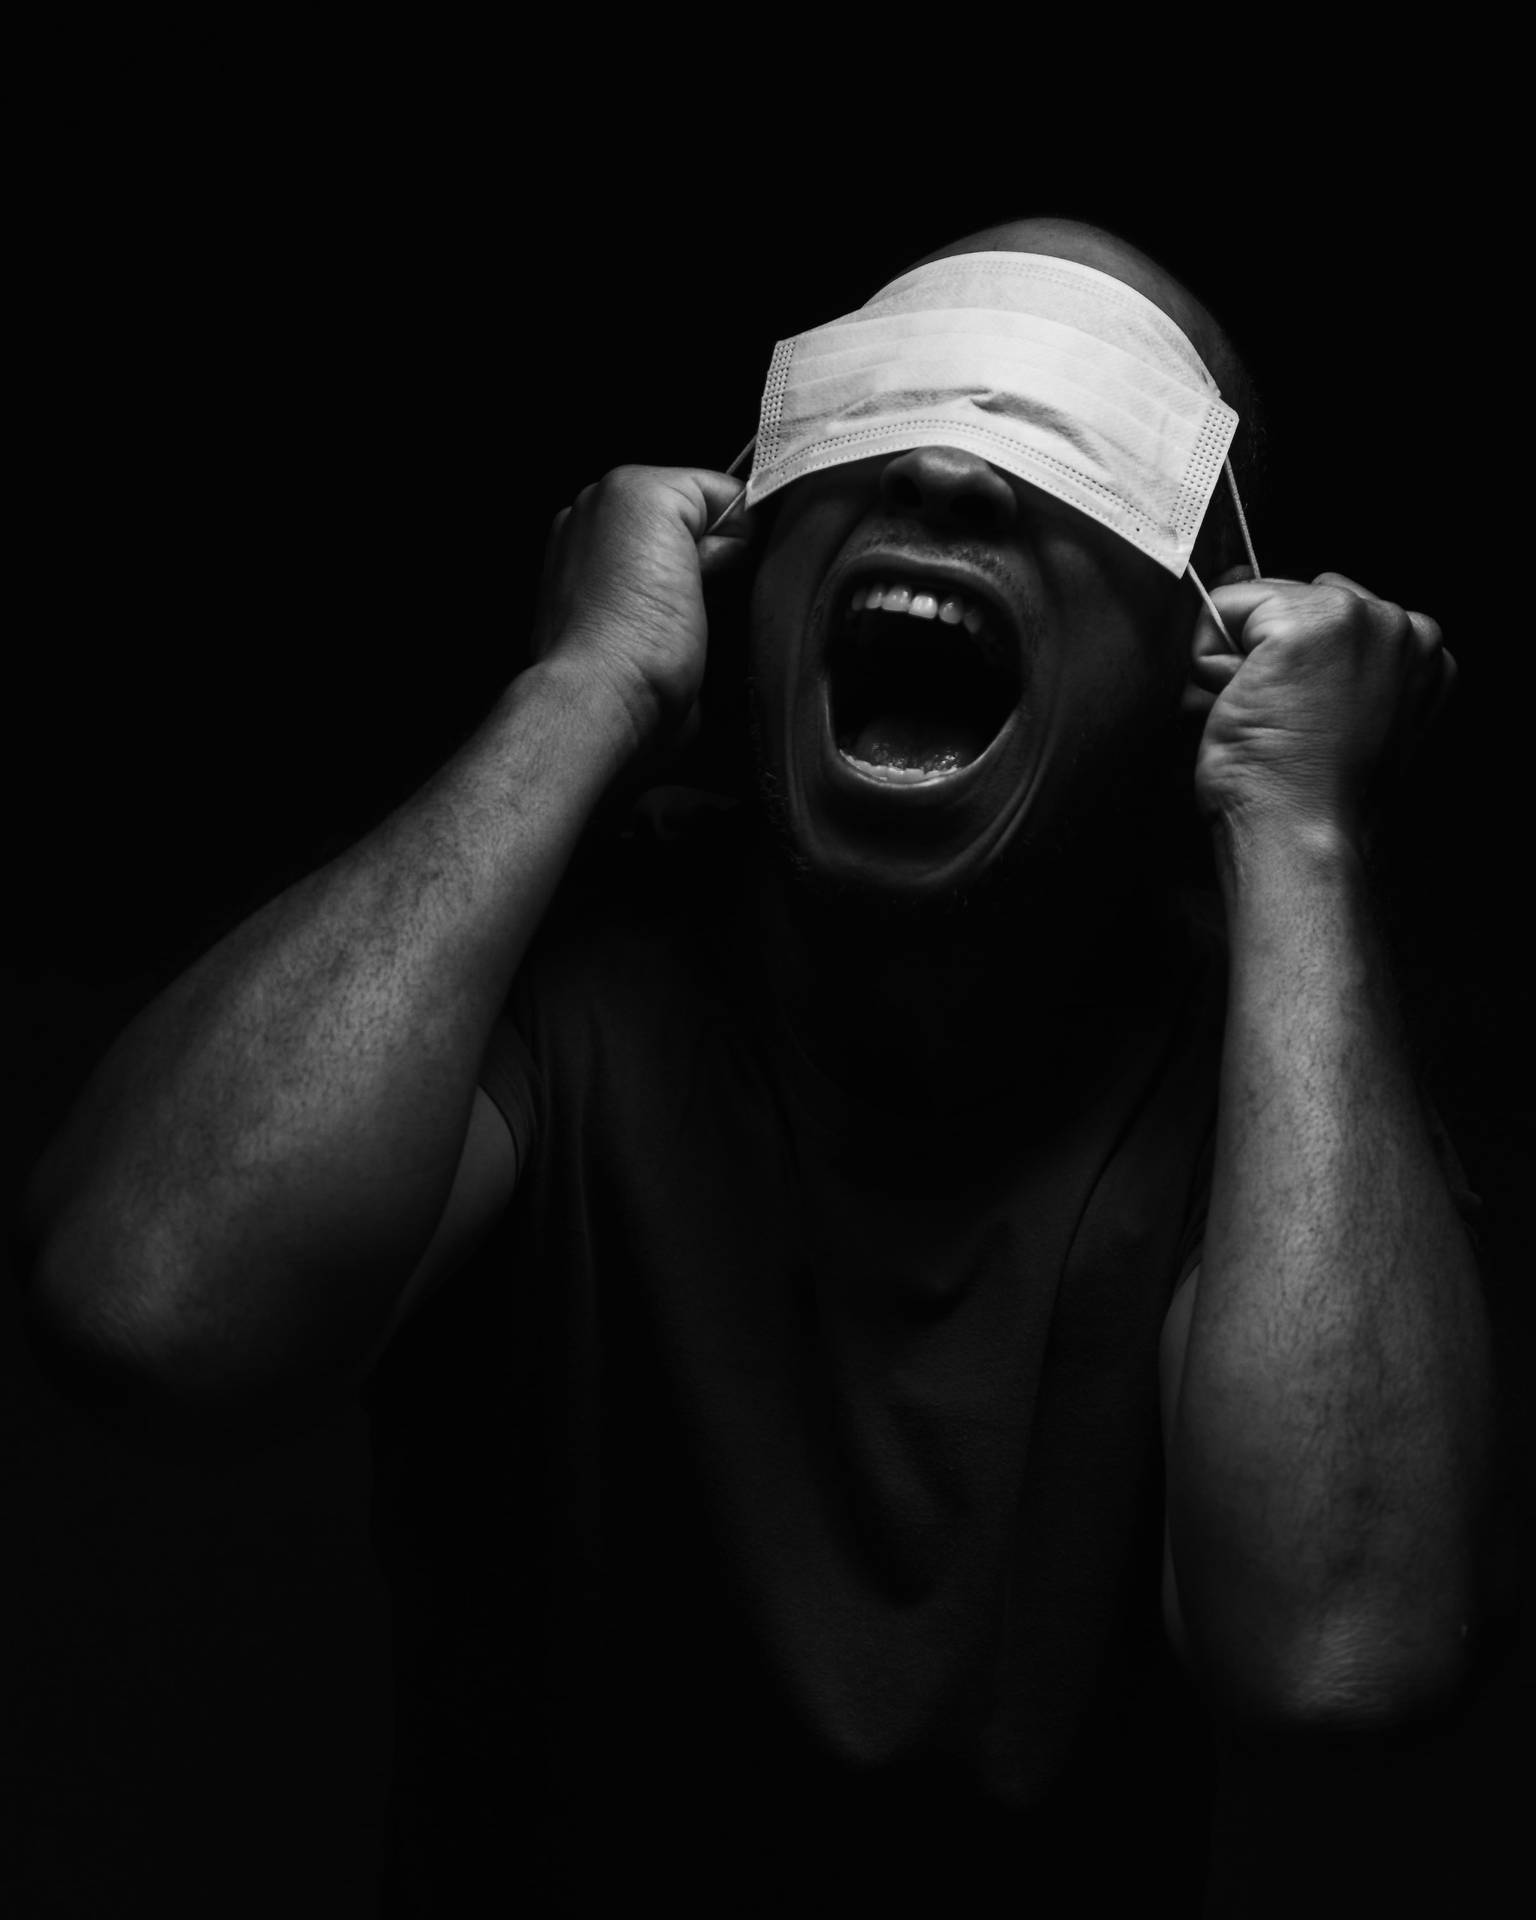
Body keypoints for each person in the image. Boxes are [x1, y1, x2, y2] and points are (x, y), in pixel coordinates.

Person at [18, 217, 1495, 1911]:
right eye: (888, 407)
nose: (951, 467)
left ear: (1203, 649)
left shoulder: (1276, 1094)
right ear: (749, 558)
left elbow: (1344, 1653)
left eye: (1088, 435)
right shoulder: (568, 976)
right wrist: (586, 684)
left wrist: (1300, 838)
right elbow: (145, 1305)